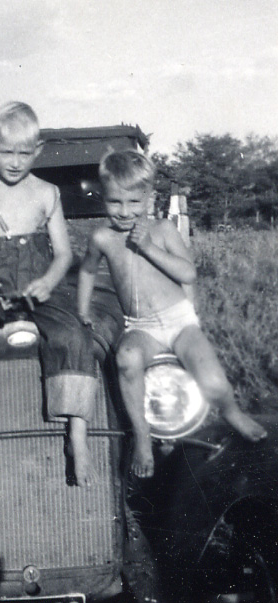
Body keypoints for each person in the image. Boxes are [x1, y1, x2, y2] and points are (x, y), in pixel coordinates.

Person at [78, 150, 267, 478]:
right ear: (103, 198)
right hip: (143, 326)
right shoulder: (102, 238)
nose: (124, 212)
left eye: (134, 203)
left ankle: (232, 412)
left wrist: (148, 247)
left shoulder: (163, 229)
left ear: (149, 198)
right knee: (126, 358)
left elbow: (188, 274)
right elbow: (87, 272)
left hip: (179, 321)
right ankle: (142, 436)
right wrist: (82, 310)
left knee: (210, 377)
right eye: (114, 203)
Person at [0, 101, 97, 488]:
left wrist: (47, 282)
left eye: (24, 153)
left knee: (74, 336)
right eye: (6, 152)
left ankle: (78, 433)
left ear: (38, 151)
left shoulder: (48, 193)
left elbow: (64, 254)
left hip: (39, 289)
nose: (14, 161)